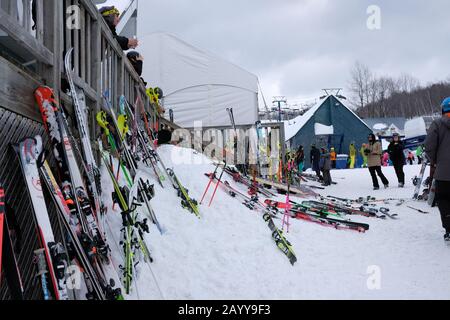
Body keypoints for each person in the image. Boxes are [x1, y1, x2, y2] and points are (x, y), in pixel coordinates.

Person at [425, 97, 450, 241]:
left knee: (444, 200)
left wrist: (435, 161)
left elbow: (429, 147)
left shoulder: (437, 123)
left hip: (444, 173)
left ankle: (449, 228)